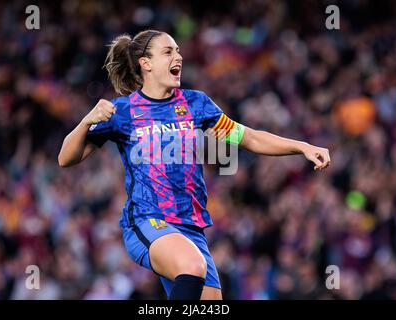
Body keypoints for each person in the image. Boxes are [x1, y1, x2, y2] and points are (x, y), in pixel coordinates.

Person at [58, 29, 331, 300]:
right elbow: (66, 158)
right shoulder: (123, 112)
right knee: (192, 266)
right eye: (168, 51)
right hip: (148, 221)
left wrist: (302, 146)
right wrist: (86, 121)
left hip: (191, 228)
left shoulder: (196, 104)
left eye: (177, 50)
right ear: (146, 63)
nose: (178, 56)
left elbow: (248, 138)